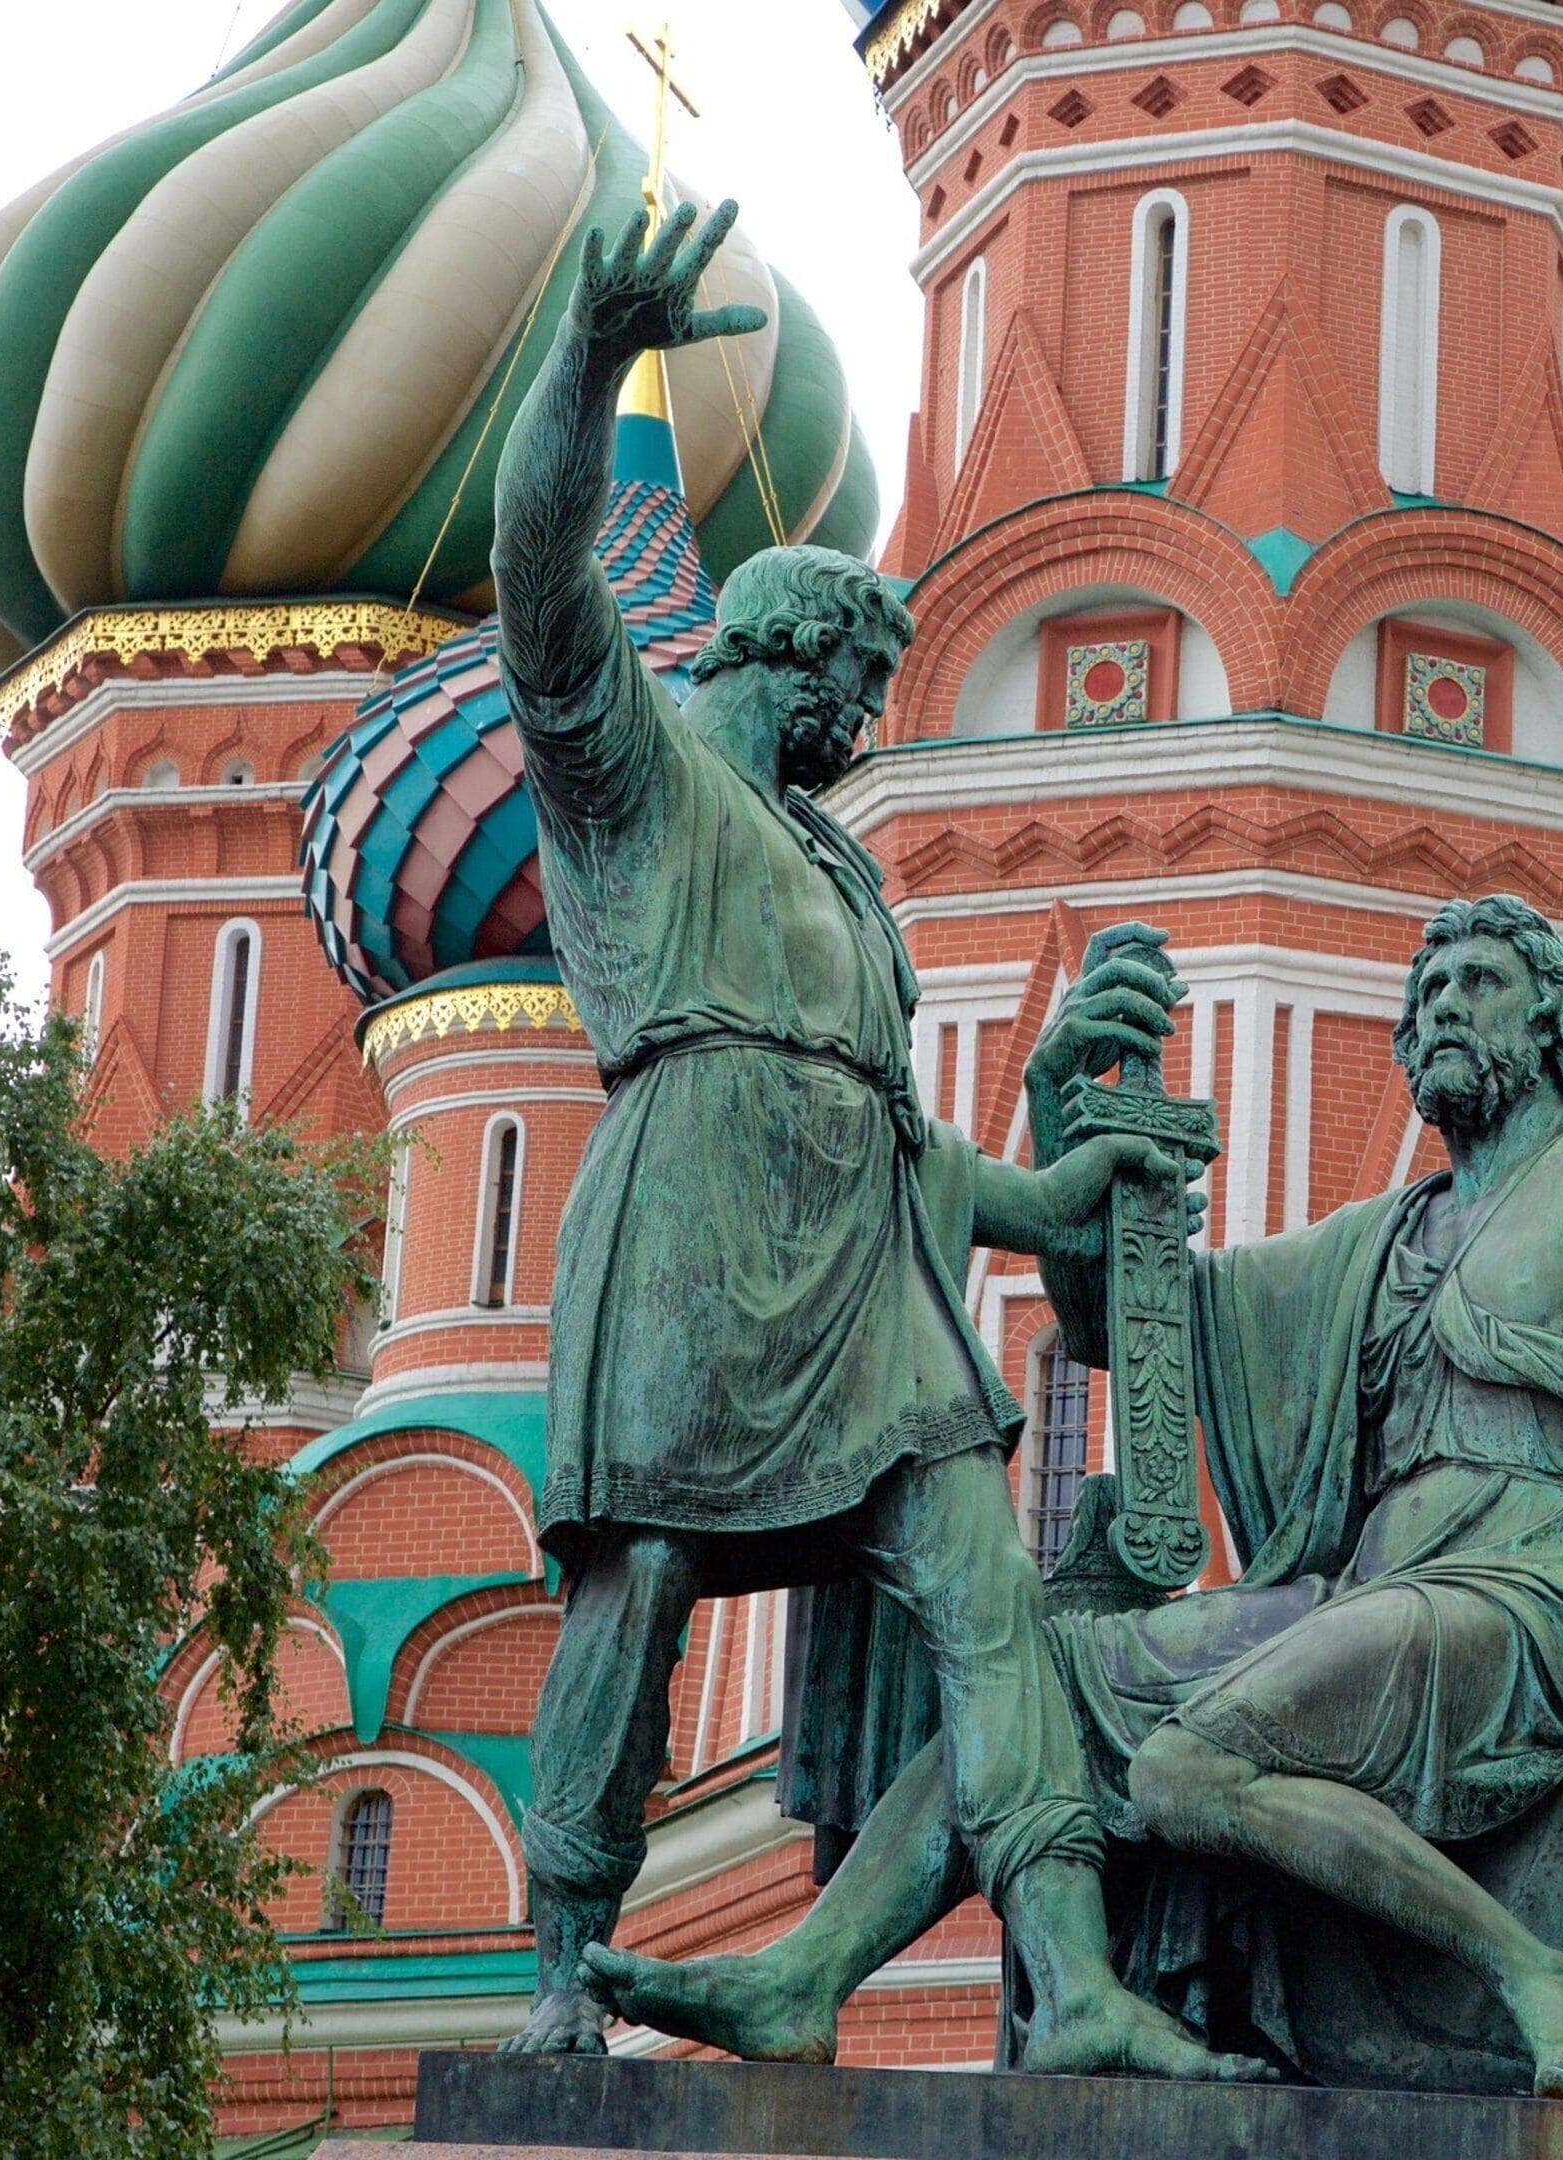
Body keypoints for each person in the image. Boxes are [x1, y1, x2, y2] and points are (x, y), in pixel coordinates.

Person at [585, 897, 1563, 2096]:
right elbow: (1132, 1321)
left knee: (1187, 1771)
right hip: (1376, 1596)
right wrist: (1066, 1121)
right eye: (1427, 990)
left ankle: (1537, 1974)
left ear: (1552, 1022)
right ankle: (808, 1978)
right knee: (1034, 1675)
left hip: (1539, 1606)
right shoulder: (1382, 1242)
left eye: (1480, 982)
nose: (1443, 1006)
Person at [484, 199, 1244, 2080]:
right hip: (690, 1223)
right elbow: (539, 584)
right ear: (788, 654)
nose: (867, 719)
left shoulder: (843, 873)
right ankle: (567, 1965)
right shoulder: (640, 777)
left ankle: (1071, 1979)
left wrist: (1049, 1193)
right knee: (640, 1592)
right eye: (859, 686)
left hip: (864, 1277)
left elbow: (893, 1142)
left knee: (992, 1603)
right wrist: (588, 360)